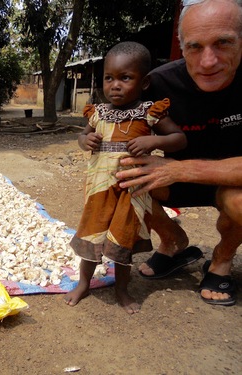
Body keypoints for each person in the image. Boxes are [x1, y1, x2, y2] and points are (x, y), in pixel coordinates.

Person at [116, 0, 242, 306]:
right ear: (182, 47)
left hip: (230, 182)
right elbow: (120, 128)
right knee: (121, 174)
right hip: (173, 180)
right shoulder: (157, 83)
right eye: (195, 47)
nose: (208, 61)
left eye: (223, 43)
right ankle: (172, 241)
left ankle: (222, 259)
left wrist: (179, 169)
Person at [63, 41, 187, 314]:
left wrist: (151, 141)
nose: (115, 85)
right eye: (109, 78)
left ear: (144, 83)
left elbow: (179, 139)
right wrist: (86, 140)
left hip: (132, 191)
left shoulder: (149, 112)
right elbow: (81, 136)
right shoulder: (98, 113)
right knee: (92, 234)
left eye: (125, 78)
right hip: (99, 188)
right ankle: (84, 282)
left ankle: (121, 289)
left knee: (123, 238)